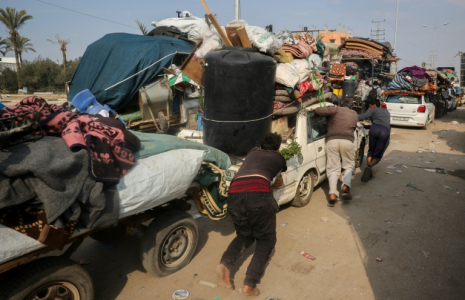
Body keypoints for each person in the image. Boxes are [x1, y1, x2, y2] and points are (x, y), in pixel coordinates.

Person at [216, 132, 287, 296]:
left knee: (244, 235)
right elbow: (278, 178)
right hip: (257, 194)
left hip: (234, 194)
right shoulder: (279, 158)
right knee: (266, 240)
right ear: (277, 149)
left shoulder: (253, 152)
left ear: (260, 146)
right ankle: (250, 284)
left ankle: (225, 265)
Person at [313, 101, 358, 206]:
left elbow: (319, 111)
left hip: (332, 140)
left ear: (339, 105)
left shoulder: (335, 109)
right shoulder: (354, 114)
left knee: (333, 168)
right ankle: (346, 185)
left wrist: (315, 109)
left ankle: (332, 194)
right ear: (350, 107)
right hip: (347, 141)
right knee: (349, 166)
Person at [358, 98, 391, 182]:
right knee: (377, 154)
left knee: (371, 152)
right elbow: (382, 124)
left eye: (370, 106)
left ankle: (369, 168)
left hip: (374, 129)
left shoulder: (372, 110)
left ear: (374, 105)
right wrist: (366, 126)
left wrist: (351, 117)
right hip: (385, 131)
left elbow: (363, 116)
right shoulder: (386, 111)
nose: (369, 107)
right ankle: (369, 168)